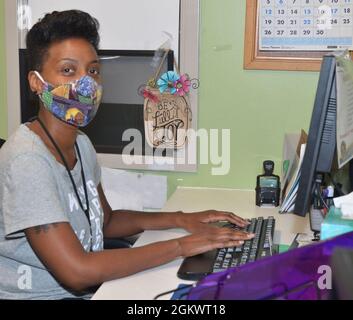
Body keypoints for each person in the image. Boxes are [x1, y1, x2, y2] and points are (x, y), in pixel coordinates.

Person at [0, 10, 254, 300]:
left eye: (93, 70)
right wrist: (183, 246)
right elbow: (77, 271)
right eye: (68, 70)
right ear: (35, 81)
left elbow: (106, 222)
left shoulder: (80, 144)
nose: (87, 83)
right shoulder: (27, 160)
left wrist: (183, 219)